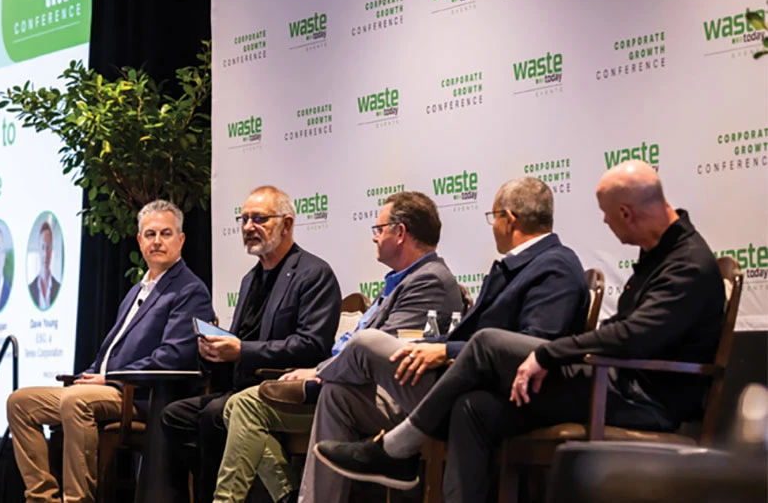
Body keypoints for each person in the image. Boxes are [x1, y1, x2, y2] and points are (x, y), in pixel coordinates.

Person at [314, 161, 726, 503]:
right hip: (613, 381)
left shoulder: (686, 263)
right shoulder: (659, 255)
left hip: (640, 396)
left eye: (606, 216)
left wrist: (549, 354)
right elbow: (624, 329)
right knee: (472, 407)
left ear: (626, 213)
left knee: (485, 343)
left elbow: (633, 335)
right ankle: (401, 452)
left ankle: (398, 446)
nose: (606, 225)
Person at [265, 177, 590, 503]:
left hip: (489, 387)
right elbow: (479, 339)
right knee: (339, 395)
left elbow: (532, 347)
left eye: (494, 219)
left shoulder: (554, 266)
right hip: (460, 377)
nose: (493, 229)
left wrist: (445, 351)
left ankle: (316, 382)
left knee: (366, 343)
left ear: (510, 219)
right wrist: (438, 348)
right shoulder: (517, 265)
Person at [212, 191, 465, 503]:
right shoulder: (401, 281)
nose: (374, 238)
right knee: (323, 394)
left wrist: (319, 373)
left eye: (379, 229)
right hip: (355, 387)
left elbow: (397, 346)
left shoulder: (431, 281)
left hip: (399, 398)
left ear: (400, 233)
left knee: (349, 357)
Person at [7, 200, 214, 503]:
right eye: (150, 234)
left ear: (181, 240)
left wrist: (110, 378)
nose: (157, 241)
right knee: (21, 402)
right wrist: (90, 374)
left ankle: (77, 500)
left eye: (166, 233)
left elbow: (173, 356)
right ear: (140, 240)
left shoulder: (189, 290)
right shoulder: (137, 291)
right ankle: (42, 498)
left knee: (76, 402)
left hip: (140, 395)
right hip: (107, 387)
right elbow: (111, 351)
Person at [161, 185, 342, 503]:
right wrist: (214, 352)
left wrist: (241, 351)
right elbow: (239, 339)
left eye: (259, 218)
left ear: (286, 224)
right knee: (176, 415)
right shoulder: (250, 279)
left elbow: (311, 345)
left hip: (283, 389)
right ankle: (283, 493)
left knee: (214, 415)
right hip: (240, 387)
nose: (248, 227)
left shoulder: (314, 274)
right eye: (243, 219)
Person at [29, 222, 60, 310]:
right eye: (42, 247)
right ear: (38, 249)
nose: (45, 253)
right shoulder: (30, 289)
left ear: (52, 250)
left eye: (48, 247)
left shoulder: (58, 288)